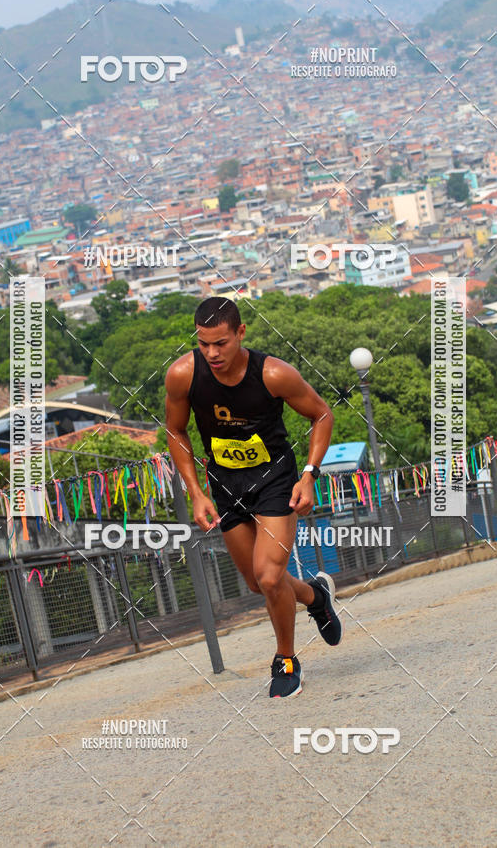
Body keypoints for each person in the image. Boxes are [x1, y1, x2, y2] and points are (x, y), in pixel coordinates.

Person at [165, 297, 342, 698]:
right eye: (204, 344)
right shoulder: (183, 375)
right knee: (257, 583)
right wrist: (196, 492)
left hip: (275, 480)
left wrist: (310, 475)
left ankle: (286, 660)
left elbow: (322, 414)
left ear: (241, 333)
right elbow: (176, 430)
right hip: (226, 485)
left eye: (221, 343)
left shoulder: (274, 374)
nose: (212, 353)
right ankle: (315, 597)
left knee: (269, 575)